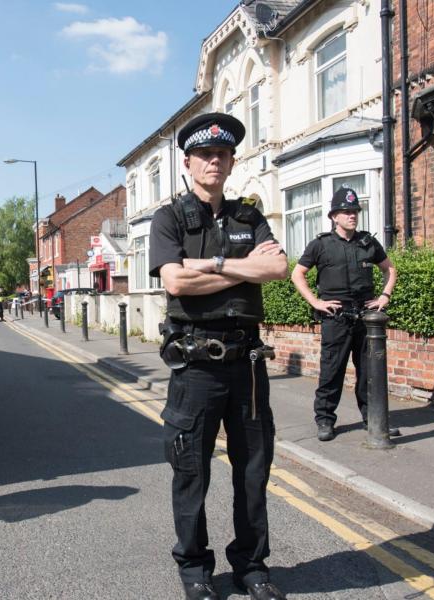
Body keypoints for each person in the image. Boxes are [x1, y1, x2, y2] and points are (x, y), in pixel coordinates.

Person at [149, 113, 288, 600]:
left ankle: (252, 568)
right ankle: (194, 569)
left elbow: (278, 267)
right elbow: (175, 281)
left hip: (247, 364)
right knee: (192, 471)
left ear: (232, 161)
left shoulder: (249, 215)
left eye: (223, 154)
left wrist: (213, 264)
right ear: (188, 163)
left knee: (254, 470)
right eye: (205, 155)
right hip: (196, 366)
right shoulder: (169, 218)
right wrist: (245, 271)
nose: (214, 161)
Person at [290, 187, 398, 442]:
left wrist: (385, 296)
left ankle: (373, 420)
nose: (352, 216)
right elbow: (297, 274)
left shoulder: (368, 243)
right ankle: (325, 420)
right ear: (334, 216)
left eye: (355, 212)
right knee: (332, 371)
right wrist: (315, 301)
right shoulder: (321, 245)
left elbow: (390, 270)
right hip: (336, 318)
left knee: (369, 372)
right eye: (346, 212)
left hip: (365, 318)